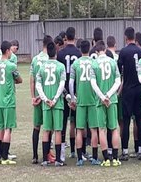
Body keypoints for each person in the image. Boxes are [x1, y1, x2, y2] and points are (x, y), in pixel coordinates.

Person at [69, 40, 101, 166]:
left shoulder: (75, 64)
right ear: (89, 49)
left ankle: (79, 159)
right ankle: (94, 157)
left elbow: (71, 82)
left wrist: (72, 98)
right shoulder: (94, 63)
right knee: (93, 129)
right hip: (93, 99)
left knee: (79, 130)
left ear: (80, 49)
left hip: (80, 100)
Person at [90, 41, 122, 167]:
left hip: (100, 100)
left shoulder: (94, 63)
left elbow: (93, 83)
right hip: (112, 99)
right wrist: (109, 95)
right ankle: (115, 158)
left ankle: (106, 159)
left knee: (101, 130)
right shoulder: (112, 61)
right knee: (114, 128)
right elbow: (118, 81)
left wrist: (102, 97)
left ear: (97, 51)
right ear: (105, 49)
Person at [36, 42, 67, 167]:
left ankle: (45, 159)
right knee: (58, 130)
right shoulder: (61, 66)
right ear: (56, 52)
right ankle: (59, 160)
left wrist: (45, 99)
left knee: (46, 130)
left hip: (46, 103)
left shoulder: (42, 67)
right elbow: (62, 84)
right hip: (57, 103)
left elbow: (38, 85)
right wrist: (54, 99)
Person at [118, 27, 141, 161]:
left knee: (126, 121)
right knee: (139, 120)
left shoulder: (123, 52)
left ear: (125, 37)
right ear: (134, 37)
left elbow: (119, 71)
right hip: (139, 89)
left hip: (127, 90)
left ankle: (125, 151)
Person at [0, 41, 22, 165]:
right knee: (7, 129)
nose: (11, 52)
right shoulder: (11, 66)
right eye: (10, 50)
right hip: (8, 100)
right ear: (7, 51)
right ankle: (5, 157)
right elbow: (19, 79)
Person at [56, 27, 82, 161]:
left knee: (63, 123)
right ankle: (76, 152)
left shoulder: (60, 54)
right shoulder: (79, 53)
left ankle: (61, 154)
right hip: (77, 91)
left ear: (66, 37)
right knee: (77, 123)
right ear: (75, 36)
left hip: (63, 91)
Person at [30, 35, 54, 164]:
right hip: (47, 97)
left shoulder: (35, 59)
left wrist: (33, 97)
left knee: (36, 126)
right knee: (48, 127)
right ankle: (47, 154)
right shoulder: (49, 59)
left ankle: (34, 156)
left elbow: (32, 80)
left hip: (38, 98)